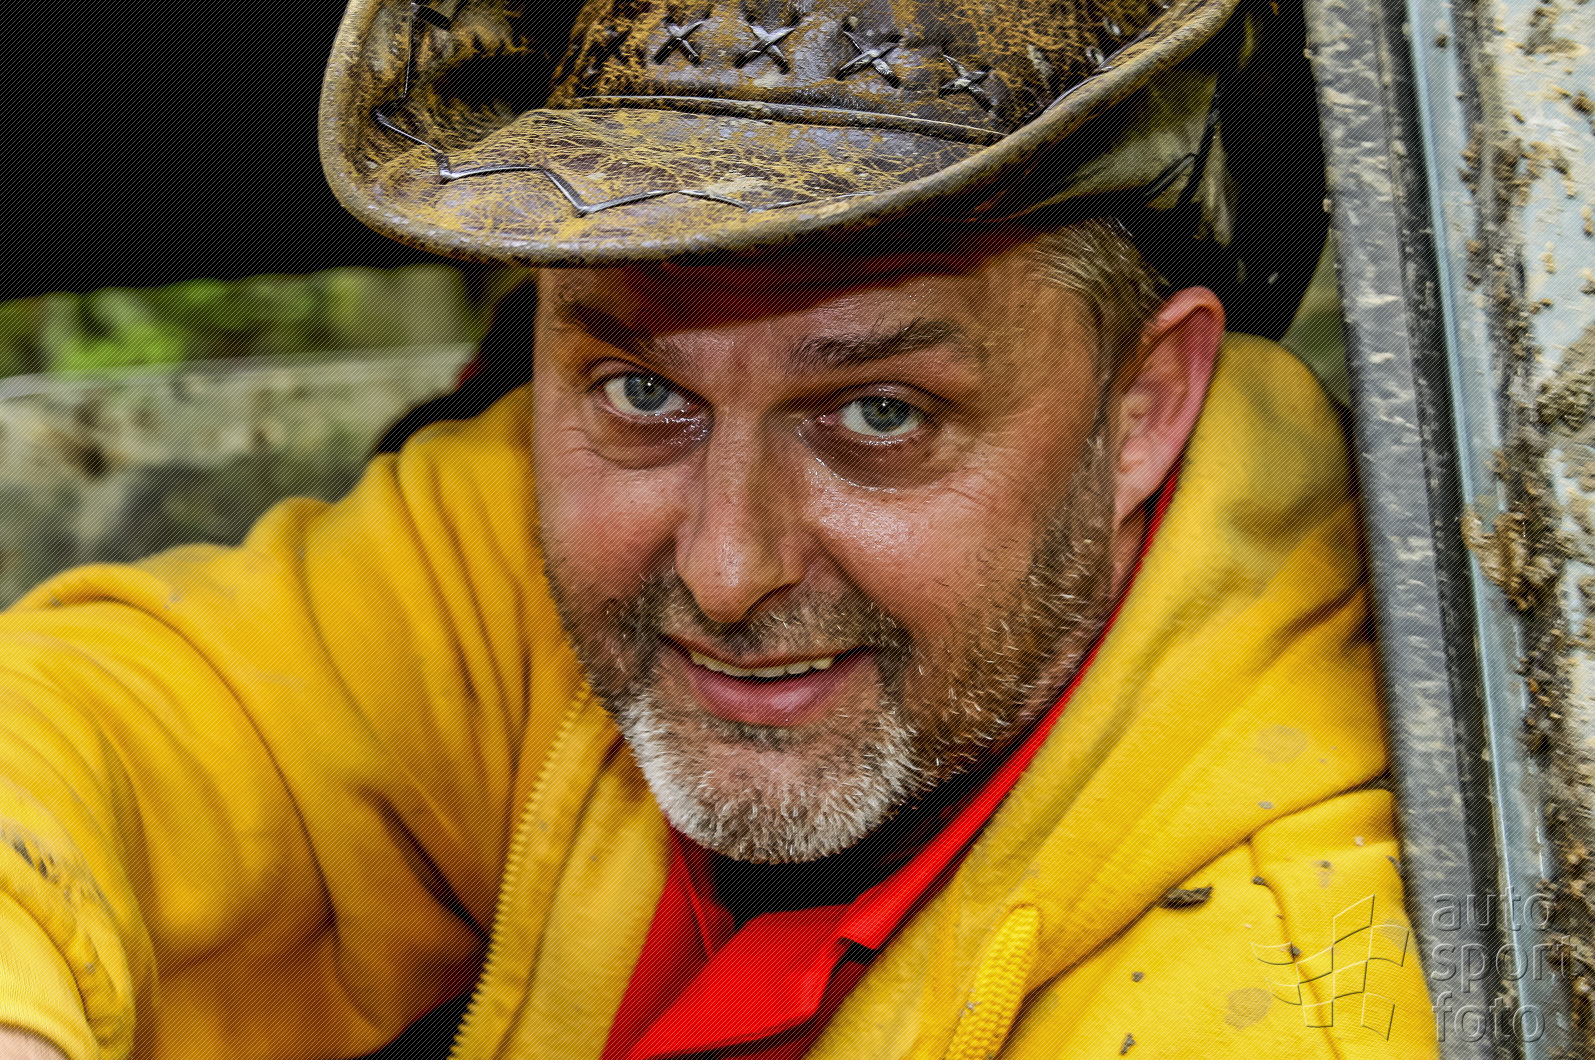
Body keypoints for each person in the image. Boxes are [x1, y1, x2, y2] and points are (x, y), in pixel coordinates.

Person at [0, 0, 1435, 1057]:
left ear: (1144, 407)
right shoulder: (519, 534)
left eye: (880, 414)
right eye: (643, 388)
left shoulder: (1281, 989)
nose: (724, 568)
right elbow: (130, 719)